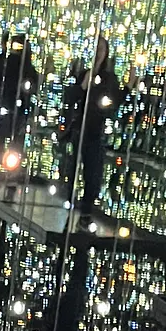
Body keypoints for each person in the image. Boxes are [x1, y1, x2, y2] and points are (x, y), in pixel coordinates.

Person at [59, 33, 125, 207]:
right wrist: (82, 86)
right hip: (80, 128)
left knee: (93, 173)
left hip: (95, 131)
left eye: (102, 49)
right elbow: (72, 97)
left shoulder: (109, 78)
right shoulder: (85, 74)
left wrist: (128, 87)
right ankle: (70, 200)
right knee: (73, 168)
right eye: (97, 48)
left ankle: (87, 208)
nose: (99, 52)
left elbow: (114, 101)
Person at [0, 32, 38, 154]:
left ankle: (17, 151)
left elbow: (33, 84)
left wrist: (28, 88)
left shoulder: (26, 67)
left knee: (19, 129)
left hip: (16, 107)